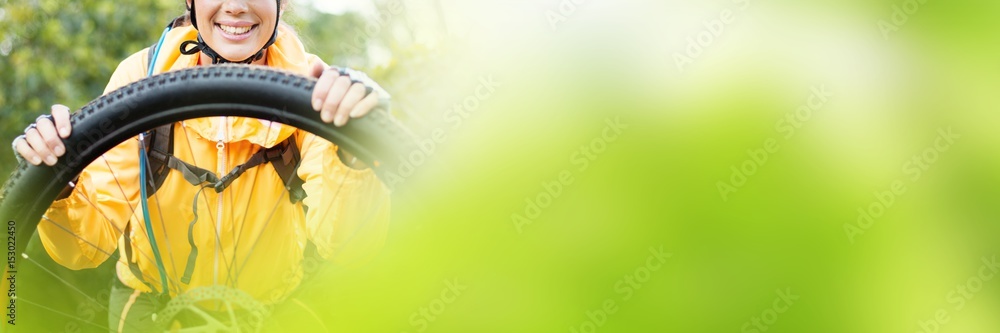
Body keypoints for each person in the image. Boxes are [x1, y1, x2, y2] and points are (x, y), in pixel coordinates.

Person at [10, 0, 391, 331]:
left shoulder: (317, 87)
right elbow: (83, 248)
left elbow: (350, 246)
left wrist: (354, 155)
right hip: (151, 304)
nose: (236, 6)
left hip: (272, 306)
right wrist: (60, 182)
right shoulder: (140, 77)